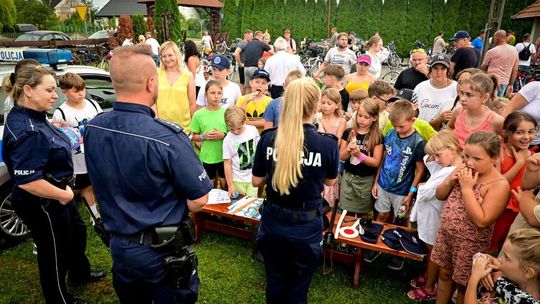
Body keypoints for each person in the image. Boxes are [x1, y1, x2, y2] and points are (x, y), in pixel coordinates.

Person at [84, 45, 213, 304]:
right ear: (152, 83)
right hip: (160, 252)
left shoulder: (93, 128)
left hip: (120, 246)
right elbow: (199, 199)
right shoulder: (168, 137)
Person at [2, 65, 104, 304]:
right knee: (53, 251)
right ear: (28, 90)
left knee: (76, 233)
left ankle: (79, 272)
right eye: (48, 90)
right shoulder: (26, 130)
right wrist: (64, 195)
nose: (54, 95)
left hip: (59, 192)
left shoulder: (35, 116)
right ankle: (59, 298)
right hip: (43, 200)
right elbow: (28, 181)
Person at [252, 77, 339, 304]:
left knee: (275, 281)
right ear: (315, 105)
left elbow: (255, 180)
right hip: (306, 226)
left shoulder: (269, 139)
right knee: (298, 287)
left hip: (273, 222)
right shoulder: (327, 144)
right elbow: (330, 183)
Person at [432, 131, 510, 304]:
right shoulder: (463, 169)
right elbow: (439, 195)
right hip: (447, 234)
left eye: (477, 159)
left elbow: (482, 221)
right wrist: (449, 182)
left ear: (494, 158)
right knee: (444, 274)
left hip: (470, 243)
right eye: (466, 156)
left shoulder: (499, 185)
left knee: (463, 285)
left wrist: (467, 189)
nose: (469, 162)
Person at [368, 100, 426, 270]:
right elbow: (383, 159)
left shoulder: (418, 142)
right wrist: (376, 181)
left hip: (402, 191)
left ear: (412, 120)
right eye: (395, 126)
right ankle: (376, 245)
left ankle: (399, 250)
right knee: (381, 216)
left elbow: (420, 171)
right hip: (384, 185)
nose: (397, 129)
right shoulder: (391, 134)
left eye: (401, 126)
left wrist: (410, 194)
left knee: (401, 220)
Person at [407, 131, 463, 301]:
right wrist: (434, 152)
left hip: (436, 217)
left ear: (452, 149)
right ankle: (428, 274)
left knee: (434, 252)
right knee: (430, 248)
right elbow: (427, 161)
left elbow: (426, 192)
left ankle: (430, 287)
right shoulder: (446, 165)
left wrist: (423, 186)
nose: (436, 159)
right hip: (430, 214)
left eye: (438, 155)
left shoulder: (452, 171)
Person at [52, 73, 103, 221]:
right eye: (76, 91)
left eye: (83, 89)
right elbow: (58, 140)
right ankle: (95, 215)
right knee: (86, 186)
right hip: (79, 158)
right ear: (64, 91)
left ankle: (106, 209)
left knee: (100, 183)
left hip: (97, 153)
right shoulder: (60, 112)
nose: (81, 93)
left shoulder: (93, 104)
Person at [489, 112, 537, 252]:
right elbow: (497, 183)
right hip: (499, 209)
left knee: (510, 247)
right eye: (520, 132)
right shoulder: (498, 153)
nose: (526, 137)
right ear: (506, 133)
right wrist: (520, 162)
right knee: (491, 245)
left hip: (521, 211)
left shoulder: (534, 157)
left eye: (531, 132)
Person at [465, 229, 540, 304]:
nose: (500, 259)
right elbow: (481, 257)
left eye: (506, 257)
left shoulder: (526, 301)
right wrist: (483, 259)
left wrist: (474, 278)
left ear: (528, 272)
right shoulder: (515, 279)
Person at [339, 98, 383, 218]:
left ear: (374, 118)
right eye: (359, 116)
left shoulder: (377, 136)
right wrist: (349, 149)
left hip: (366, 181)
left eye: (366, 117)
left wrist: (359, 155)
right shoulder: (348, 132)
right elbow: (341, 157)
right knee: (346, 212)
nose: (361, 120)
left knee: (363, 213)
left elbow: (376, 162)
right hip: (348, 178)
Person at [448, 73, 505, 147]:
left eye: (469, 95)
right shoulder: (458, 112)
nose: (462, 99)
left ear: (485, 97)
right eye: (462, 93)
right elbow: (449, 128)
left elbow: (508, 143)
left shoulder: (496, 121)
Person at [190, 80, 228, 188]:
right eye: (212, 93)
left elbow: (234, 134)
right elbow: (193, 136)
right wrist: (203, 136)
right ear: (205, 95)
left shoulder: (226, 113)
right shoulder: (199, 114)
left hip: (225, 156)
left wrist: (223, 135)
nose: (216, 96)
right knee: (210, 187)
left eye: (219, 93)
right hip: (208, 157)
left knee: (225, 184)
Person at [155, 41, 196, 132]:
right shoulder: (156, 74)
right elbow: (153, 101)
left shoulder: (188, 76)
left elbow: (192, 104)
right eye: (164, 56)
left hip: (183, 128)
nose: (167, 59)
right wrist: (156, 120)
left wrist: (194, 127)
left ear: (176, 55)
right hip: (162, 127)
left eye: (170, 55)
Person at [317, 88, 347, 207]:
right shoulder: (316, 117)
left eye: (329, 103)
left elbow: (336, 142)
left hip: (330, 158)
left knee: (328, 190)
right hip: (317, 156)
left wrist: (324, 124)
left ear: (337, 105)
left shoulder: (341, 121)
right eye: (323, 102)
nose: (325, 106)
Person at [223, 106, 260, 197]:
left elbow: (259, 150)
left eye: (239, 128)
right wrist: (230, 185)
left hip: (252, 177)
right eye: (231, 129)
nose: (235, 132)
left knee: (251, 205)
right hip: (237, 179)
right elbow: (227, 163)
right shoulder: (228, 139)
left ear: (244, 121)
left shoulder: (252, 130)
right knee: (237, 205)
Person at [414, 53, 458, 130]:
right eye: (435, 68)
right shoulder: (420, 87)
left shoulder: (456, 87)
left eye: (443, 68)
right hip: (420, 130)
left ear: (448, 71)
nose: (439, 72)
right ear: (430, 69)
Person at [502, 81, 540, 149]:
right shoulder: (536, 87)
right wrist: (503, 135)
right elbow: (509, 109)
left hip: (535, 143)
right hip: (513, 139)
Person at [481, 30, 519, 97]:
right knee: (498, 103)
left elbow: (483, 67)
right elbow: (515, 69)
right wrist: (511, 84)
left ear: (496, 38)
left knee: (489, 101)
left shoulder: (492, 51)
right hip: (505, 81)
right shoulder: (514, 50)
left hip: (492, 81)